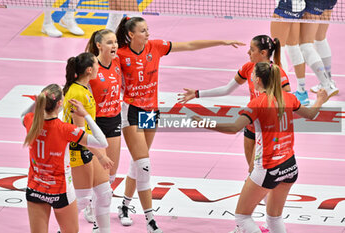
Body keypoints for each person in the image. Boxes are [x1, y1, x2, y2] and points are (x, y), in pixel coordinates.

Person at [115, 16, 245, 232]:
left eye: (148, 29)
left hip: (151, 111)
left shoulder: (155, 47)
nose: (148, 33)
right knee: (144, 165)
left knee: (139, 162)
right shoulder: (120, 55)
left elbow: (190, 45)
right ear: (130, 34)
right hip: (132, 112)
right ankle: (150, 220)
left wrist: (221, 42)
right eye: (143, 31)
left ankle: (124, 206)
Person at [192, 62, 328, 233]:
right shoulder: (288, 97)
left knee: (242, 217)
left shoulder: (257, 103)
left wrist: (206, 122)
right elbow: (311, 114)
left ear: (257, 80)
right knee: (274, 218)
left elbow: (234, 127)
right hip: (290, 166)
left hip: (268, 169)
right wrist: (321, 100)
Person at [179, 34, 291, 174]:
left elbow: (288, 101)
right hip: (251, 125)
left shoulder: (276, 72)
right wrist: (197, 93)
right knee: (253, 173)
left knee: (258, 172)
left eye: (252, 49)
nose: (248, 52)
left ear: (263, 53)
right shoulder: (249, 68)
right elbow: (227, 89)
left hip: (268, 129)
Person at [22, 84, 109, 233]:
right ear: (60, 104)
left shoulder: (31, 122)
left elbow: (23, 116)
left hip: (35, 189)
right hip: (60, 192)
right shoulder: (65, 129)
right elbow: (102, 142)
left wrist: (36, 103)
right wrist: (85, 115)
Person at [62, 52, 114, 233]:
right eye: (96, 64)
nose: (99, 66)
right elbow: (79, 134)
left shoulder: (83, 88)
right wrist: (100, 155)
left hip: (90, 147)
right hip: (79, 151)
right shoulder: (77, 93)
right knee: (82, 200)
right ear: (90, 70)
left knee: (105, 194)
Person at [82, 29, 125, 225]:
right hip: (96, 123)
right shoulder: (91, 67)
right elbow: (76, 90)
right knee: (98, 170)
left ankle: (101, 200)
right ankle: (93, 204)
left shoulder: (117, 63)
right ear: (99, 45)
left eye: (115, 42)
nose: (114, 45)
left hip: (114, 120)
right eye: (109, 42)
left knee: (112, 172)